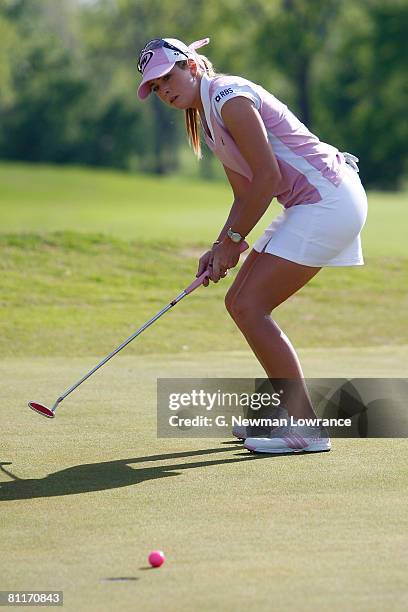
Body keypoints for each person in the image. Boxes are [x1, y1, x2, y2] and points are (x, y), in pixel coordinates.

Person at [137, 37, 368, 454]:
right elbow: (245, 194)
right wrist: (220, 245)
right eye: (155, 87)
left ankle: (304, 427)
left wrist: (234, 242)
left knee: (249, 305)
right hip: (312, 203)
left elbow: (268, 180)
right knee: (239, 301)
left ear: (191, 66)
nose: (164, 90)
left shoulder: (229, 97)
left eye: (167, 77)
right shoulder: (208, 118)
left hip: (328, 199)